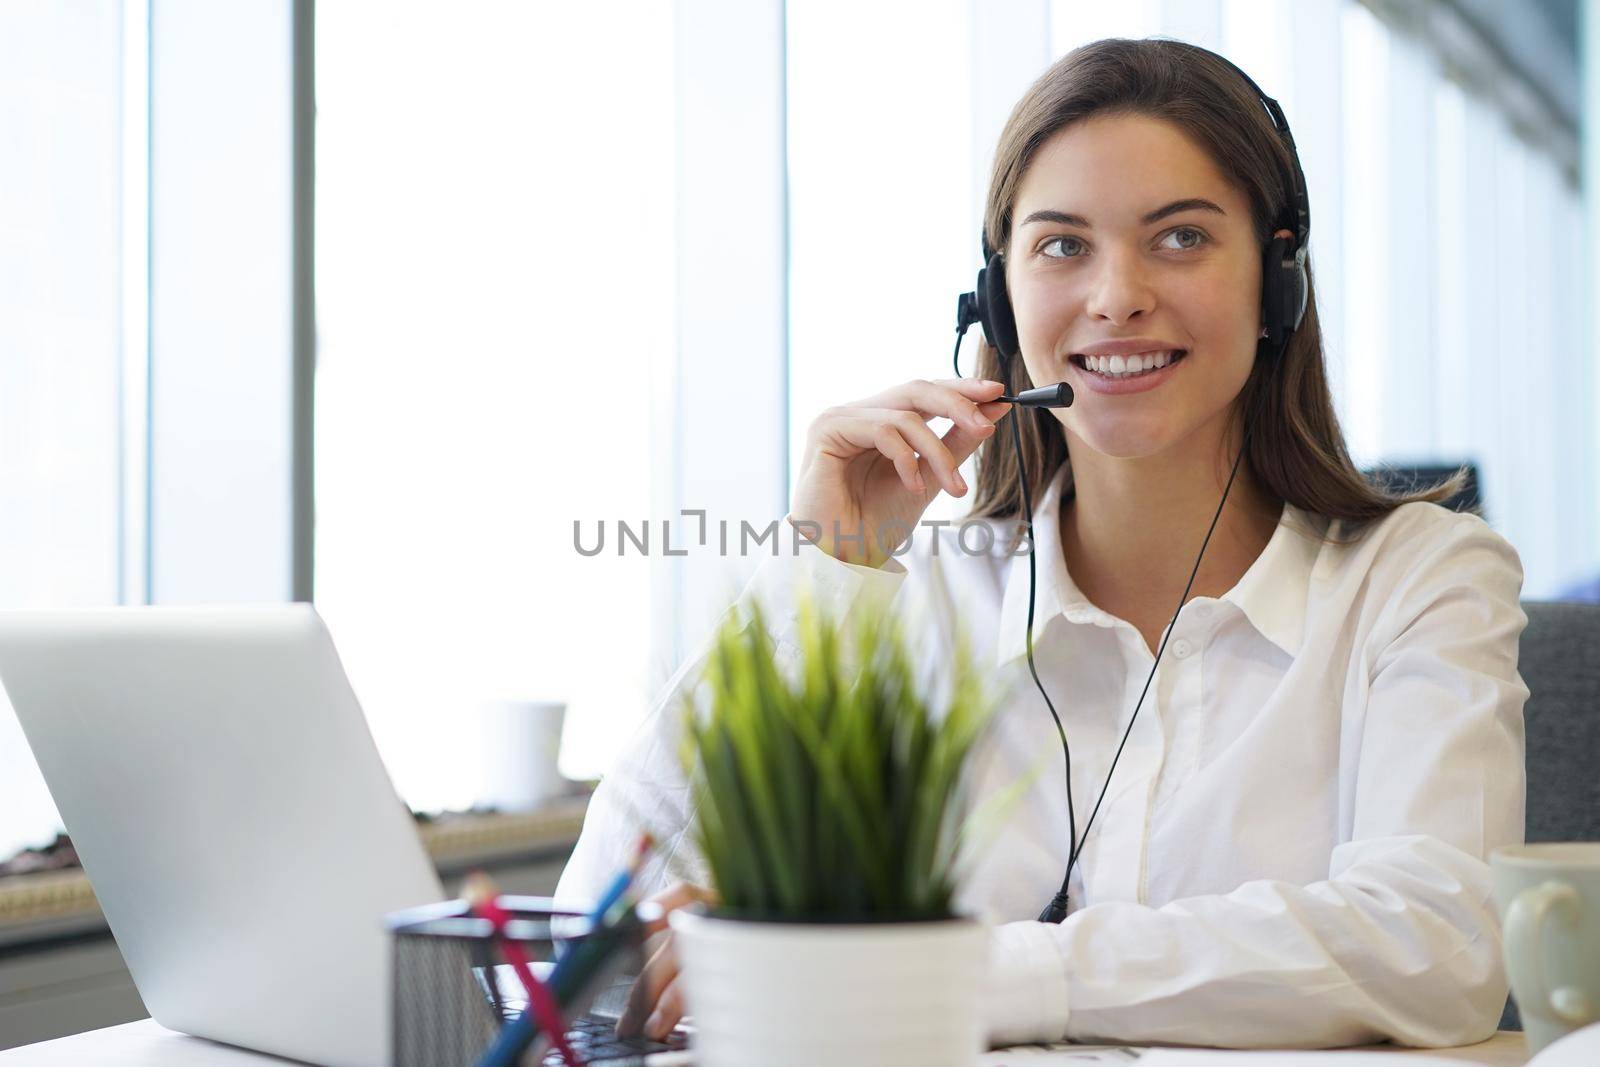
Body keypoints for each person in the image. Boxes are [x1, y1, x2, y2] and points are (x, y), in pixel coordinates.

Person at [555, 37, 1527, 1049]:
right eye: (1062, 245)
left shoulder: (1418, 577)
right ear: (1000, 297)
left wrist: (930, 971)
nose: (1116, 295)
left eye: (1181, 238)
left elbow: (1435, 944)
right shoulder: (918, 602)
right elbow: (590, 942)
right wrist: (827, 568)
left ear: (1277, 277)